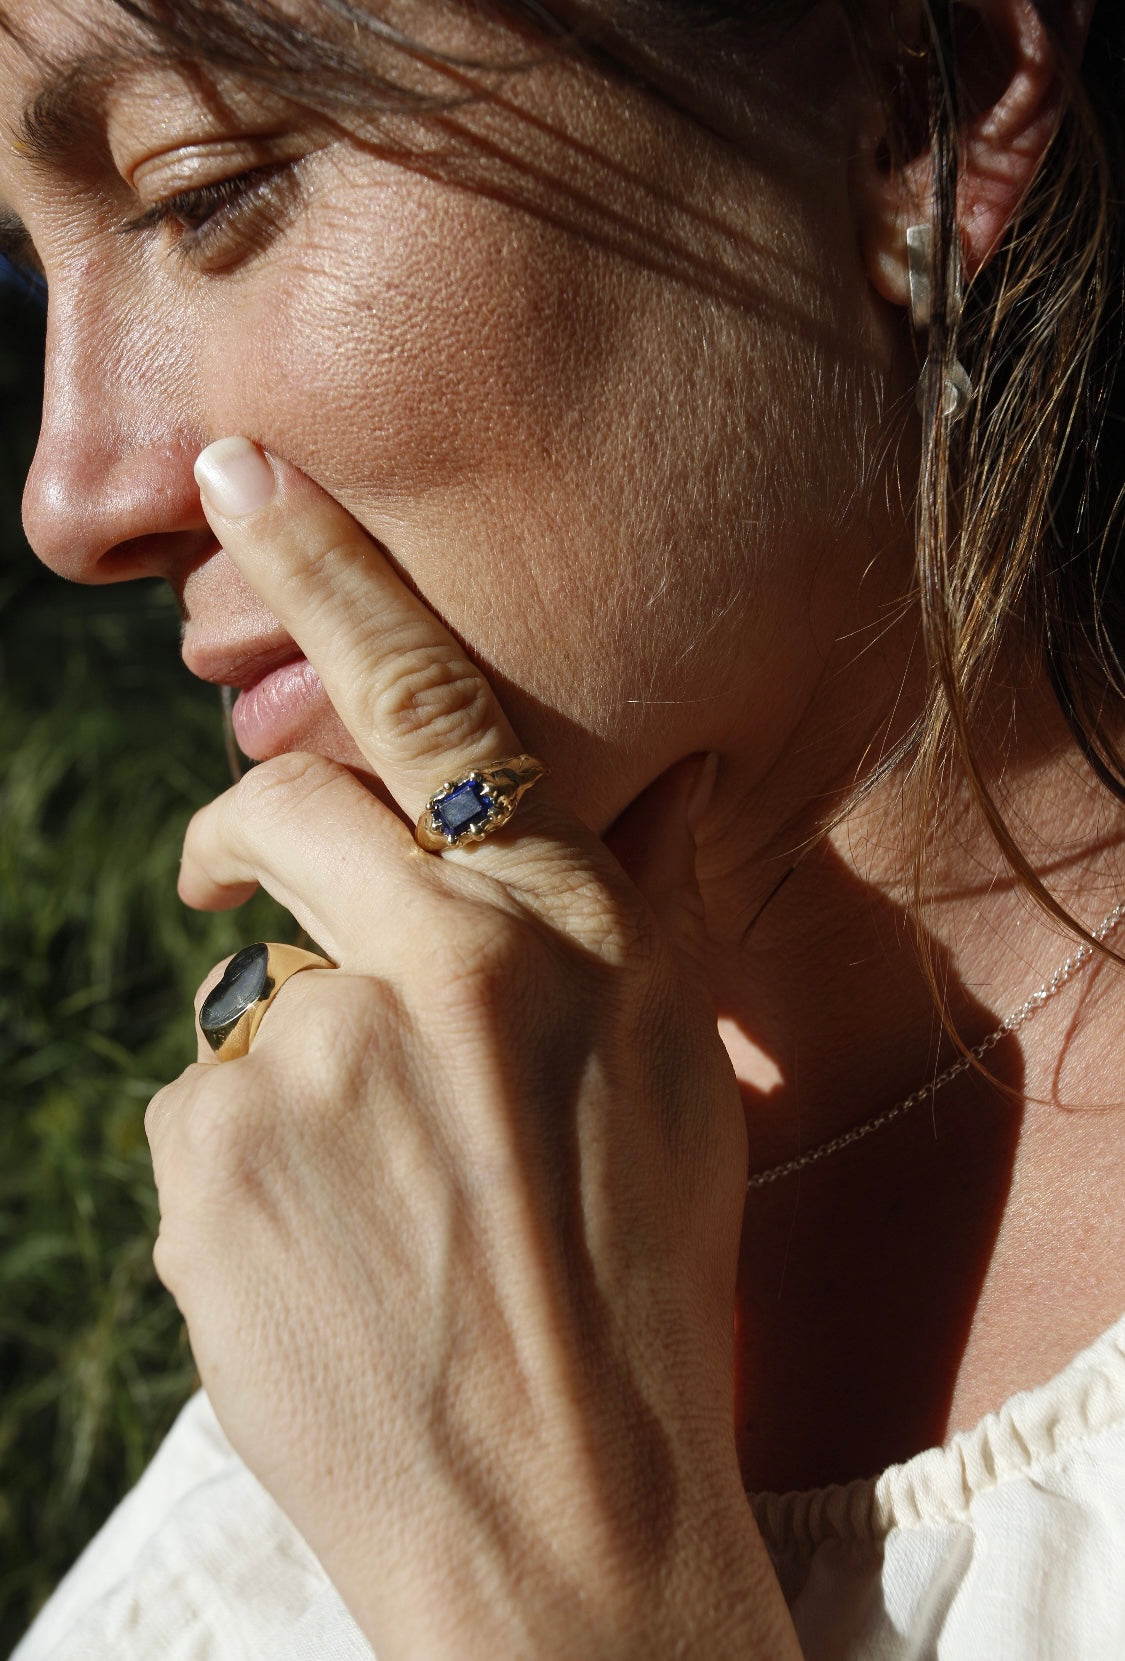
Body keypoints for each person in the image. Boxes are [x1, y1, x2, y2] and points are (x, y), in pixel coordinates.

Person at [2, 0, 1124, 1654]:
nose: (68, 494)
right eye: (29, 279)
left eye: (199, 191)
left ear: (911, 98)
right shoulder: (338, 1308)